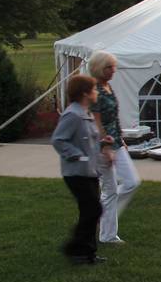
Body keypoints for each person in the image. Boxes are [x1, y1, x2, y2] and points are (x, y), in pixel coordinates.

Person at [52, 74, 107, 265]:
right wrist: (75, 154)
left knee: (91, 211)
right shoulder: (73, 114)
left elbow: (86, 140)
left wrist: (101, 142)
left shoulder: (86, 113)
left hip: (89, 170)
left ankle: (86, 254)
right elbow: (58, 139)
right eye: (93, 90)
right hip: (75, 172)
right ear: (85, 93)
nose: (96, 93)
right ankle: (75, 248)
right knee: (93, 209)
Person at [88, 50, 141, 245]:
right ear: (98, 68)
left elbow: (114, 117)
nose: (113, 70)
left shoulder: (107, 86)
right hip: (103, 146)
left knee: (132, 182)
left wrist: (121, 139)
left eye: (113, 66)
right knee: (110, 189)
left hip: (117, 142)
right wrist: (106, 147)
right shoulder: (94, 90)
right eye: (108, 67)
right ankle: (108, 235)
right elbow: (97, 122)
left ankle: (101, 214)